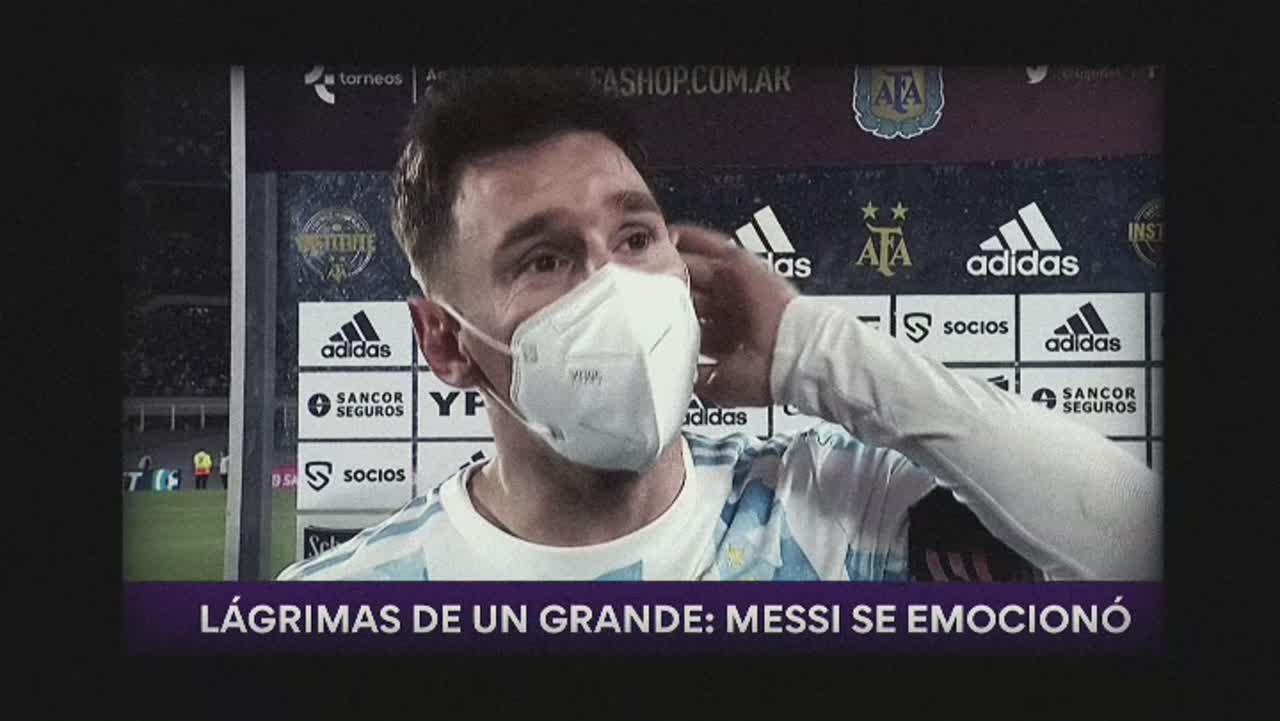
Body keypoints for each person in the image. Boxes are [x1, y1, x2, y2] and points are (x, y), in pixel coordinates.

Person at [278, 68, 1160, 582]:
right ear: (444, 341)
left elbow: (1143, 546)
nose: (613, 285)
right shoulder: (343, 605)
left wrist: (813, 352)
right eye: (544, 258)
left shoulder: (831, 510)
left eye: (636, 237)